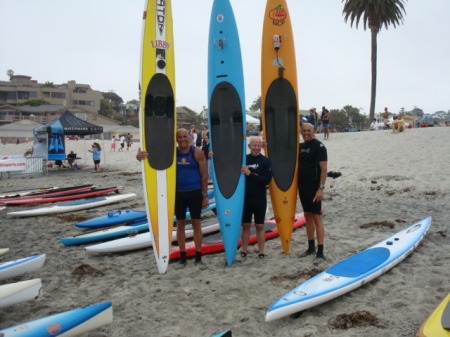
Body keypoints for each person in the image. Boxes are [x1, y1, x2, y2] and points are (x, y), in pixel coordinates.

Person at [136, 128, 209, 269]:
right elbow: (153, 162)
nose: (182, 139)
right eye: (179, 137)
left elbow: (204, 176)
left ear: (188, 137)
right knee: (180, 225)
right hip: (177, 194)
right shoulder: (171, 154)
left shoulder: (197, 152)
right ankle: (183, 257)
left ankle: (198, 256)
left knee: (196, 224)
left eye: (184, 136)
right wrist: (140, 157)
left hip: (195, 192)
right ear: (176, 139)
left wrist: (205, 197)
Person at [298, 123, 328, 259]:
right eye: (303, 130)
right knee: (307, 216)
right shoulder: (300, 147)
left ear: (314, 131)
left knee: (317, 217)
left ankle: (320, 251)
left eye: (308, 130)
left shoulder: (319, 146)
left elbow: (324, 169)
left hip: (314, 188)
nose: (306, 133)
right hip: (303, 187)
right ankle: (311, 247)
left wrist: (321, 189)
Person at [240, 137, 273, 259]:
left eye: (258, 145)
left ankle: (261, 251)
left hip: (259, 198)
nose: (256, 148)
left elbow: (266, 180)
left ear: (261, 147)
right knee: (246, 225)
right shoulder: (244, 159)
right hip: (246, 199)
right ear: (249, 146)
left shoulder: (266, 161)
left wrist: (250, 174)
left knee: (260, 225)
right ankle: (244, 249)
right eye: (254, 145)